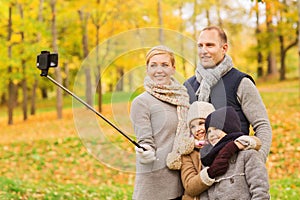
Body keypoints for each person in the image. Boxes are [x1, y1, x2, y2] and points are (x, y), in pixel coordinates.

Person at [184, 26, 272, 162]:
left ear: (224, 48)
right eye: (200, 46)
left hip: (234, 168)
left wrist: (255, 163)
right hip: (198, 171)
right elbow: (180, 130)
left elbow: (262, 126)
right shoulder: (188, 86)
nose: (203, 51)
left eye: (210, 45)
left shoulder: (241, 82)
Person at [130, 45, 194, 200]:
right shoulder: (141, 102)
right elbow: (145, 140)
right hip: (155, 185)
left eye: (165, 65)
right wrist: (145, 151)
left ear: (173, 68)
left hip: (184, 180)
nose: (159, 70)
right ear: (147, 69)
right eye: (153, 65)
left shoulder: (183, 99)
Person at [181, 102, 263, 200]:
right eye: (192, 126)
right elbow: (190, 187)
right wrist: (211, 172)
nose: (197, 129)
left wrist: (232, 147)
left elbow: (254, 142)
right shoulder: (189, 152)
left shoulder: (239, 147)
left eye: (201, 123)